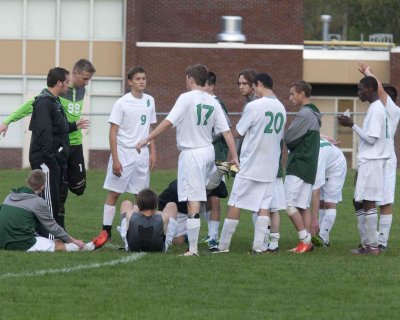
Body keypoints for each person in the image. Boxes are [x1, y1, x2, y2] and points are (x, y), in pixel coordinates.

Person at [136, 64, 239, 256]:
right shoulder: (213, 101)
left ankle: (192, 249)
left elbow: (168, 122)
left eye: (186, 78)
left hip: (192, 153)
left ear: (191, 78)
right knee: (203, 191)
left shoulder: (186, 98)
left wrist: (147, 138)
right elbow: (226, 131)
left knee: (193, 200)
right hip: (208, 151)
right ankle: (217, 174)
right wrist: (234, 156)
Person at [0, 59, 96, 228]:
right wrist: (7, 121)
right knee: (60, 192)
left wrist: (75, 125)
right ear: (74, 74)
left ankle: (53, 219)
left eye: (89, 79)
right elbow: (31, 105)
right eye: (84, 78)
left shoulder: (81, 91)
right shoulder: (56, 93)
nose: (87, 82)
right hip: (60, 147)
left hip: (75, 145)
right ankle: (56, 226)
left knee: (79, 188)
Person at [211, 73, 286, 254]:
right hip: (270, 165)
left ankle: (223, 246)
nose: (253, 90)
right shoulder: (281, 108)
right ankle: (259, 246)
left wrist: (222, 132)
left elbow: (238, 131)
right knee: (263, 206)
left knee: (235, 202)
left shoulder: (254, 106)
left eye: (254, 86)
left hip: (251, 163)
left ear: (259, 84)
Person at [29, 67, 90, 237]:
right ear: (59, 83)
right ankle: (47, 239)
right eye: (67, 82)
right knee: (48, 202)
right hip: (47, 161)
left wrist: (74, 125)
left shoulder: (54, 101)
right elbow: (44, 135)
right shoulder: (43, 102)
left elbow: (58, 128)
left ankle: (50, 236)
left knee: (54, 200)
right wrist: (52, 160)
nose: (68, 85)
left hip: (55, 161)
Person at [102, 66, 157, 239]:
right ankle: (106, 231)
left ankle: (141, 230)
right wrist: (116, 159)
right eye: (138, 79)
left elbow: (150, 127)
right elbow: (113, 132)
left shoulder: (150, 100)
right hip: (124, 153)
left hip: (143, 154)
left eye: (144, 78)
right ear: (130, 82)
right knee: (115, 192)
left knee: (141, 195)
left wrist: (153, 152)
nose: (142, 81)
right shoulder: (121, 103)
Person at [338, 76, 390, 255]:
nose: (358, 93)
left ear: (370, 89)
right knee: (360, 201)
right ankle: (368, 243)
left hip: (373, 161)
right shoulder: (374, 108)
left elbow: (371, 139)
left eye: (360, 89)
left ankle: (373, 246)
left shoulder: (376, 110)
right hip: (368, 161)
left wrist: (351, 124)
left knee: (368, 202)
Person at [0, 169, 107, 252]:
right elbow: (53, 227)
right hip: (20, 244)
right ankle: (90, 247)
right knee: (58, 244)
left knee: (48, 240)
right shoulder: (38, 202)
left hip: (1, 241)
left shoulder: (10, 195)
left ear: (27, 181)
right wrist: (73, 240)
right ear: (42, 187)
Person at [358, 62, 399, 251]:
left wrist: (367, 72)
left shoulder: (391, 109)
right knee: (371, 199)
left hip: (386, 158)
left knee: (384, 200)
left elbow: (380, 89)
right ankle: (372, 240)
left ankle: (380, 242)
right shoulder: (379, 109)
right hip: (380, 157)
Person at [284, 80, 322, 253]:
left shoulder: (304, 114)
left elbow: (289, 138)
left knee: (288, 205)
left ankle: (305, 240)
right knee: (302, 206)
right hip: (309, 167)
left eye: (292, 94)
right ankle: (307, 244)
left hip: (298, 165)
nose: (290, 98)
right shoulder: (315, 114)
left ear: (301, 93)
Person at [158, 166, 229, 247]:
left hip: (198, 206)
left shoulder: (217, 185)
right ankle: (186, 235)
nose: (205, 193)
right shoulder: (176, 188)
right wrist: (163, 223)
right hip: (180, 211)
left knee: (214, 199)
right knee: (178, 241)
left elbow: (224, 194)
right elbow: (161, 201)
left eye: (208, 190)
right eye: (204, 190)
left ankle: (213, 237)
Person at [201, 71, 231, 247]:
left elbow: (225, 127)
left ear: (211, 86)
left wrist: (206, 138)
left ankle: (213, 236)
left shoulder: (217, 102)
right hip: (206, 157)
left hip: (218, 158)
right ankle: (210, 233)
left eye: (204, 85)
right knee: (203, 195)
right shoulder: (204, 103)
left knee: (214, 196)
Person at [310, 138, 347, 247]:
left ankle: (322, 239)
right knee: (321, 203)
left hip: (336, 167)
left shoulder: (318, 155)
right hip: (327, 163)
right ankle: (321, 237)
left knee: (329, 203)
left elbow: (315, 190)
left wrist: (314, 219)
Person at [117, 188, 178, 253]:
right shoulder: (164, 217)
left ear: (139, 205)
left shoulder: (130, 214)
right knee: (172, 205)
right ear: (155, 205)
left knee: (126, 203)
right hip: (159, 249)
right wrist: (158, 213)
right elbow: (165, 233)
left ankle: (127, 240)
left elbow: (135, 209)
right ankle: (170, 242)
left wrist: (138, 207)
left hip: (131, 247)